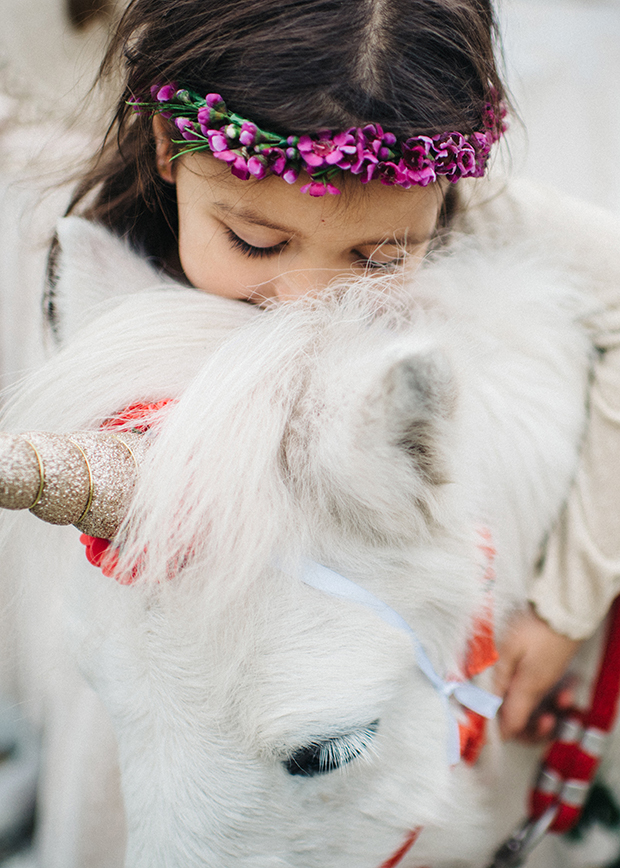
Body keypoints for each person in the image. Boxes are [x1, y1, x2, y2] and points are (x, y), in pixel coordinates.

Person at [48, 0, 619, 748]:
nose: (307, 309)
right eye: (255, 243)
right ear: (167, 143)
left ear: (445, 192)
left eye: (379, 259)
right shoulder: (102, 279)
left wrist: (561, 609)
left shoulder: (470, 200)